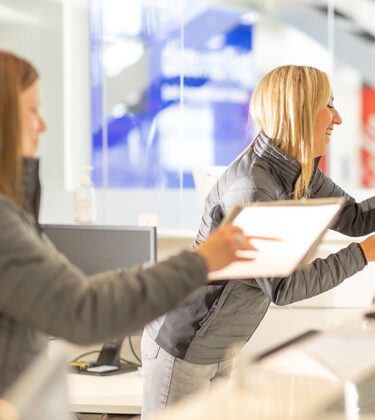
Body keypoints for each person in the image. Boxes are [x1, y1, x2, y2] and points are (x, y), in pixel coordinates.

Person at [141, 64, 375, 414]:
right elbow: (282, 288)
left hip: (221, 344)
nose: (339, 118)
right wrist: (363, 254)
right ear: (299, 110)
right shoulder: (255, 187)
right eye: (328, 105)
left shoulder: (300, 171)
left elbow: (356, 217)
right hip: (183, 345)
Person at [0, 50, 255, 394]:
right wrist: (201, 262)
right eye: (31, 110)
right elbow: (84, 309)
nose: (42, 125)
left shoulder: (14, 213)